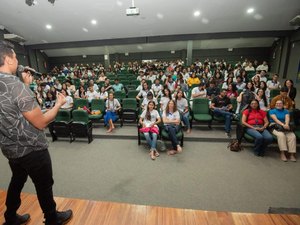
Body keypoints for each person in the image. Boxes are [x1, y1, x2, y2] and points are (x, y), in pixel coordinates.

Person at [0, 41, 72, 225]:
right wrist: (58, 104)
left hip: (10, 147)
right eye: (15, 56)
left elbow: (11, 108)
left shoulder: (12, 85)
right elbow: (40, 122)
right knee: (44, 184)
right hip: (31, 148)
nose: (17, 59)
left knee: (17, 181)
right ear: (8, 59)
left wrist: (25, 84)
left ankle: (10, 217)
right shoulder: (17, 87)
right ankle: (52, 218)